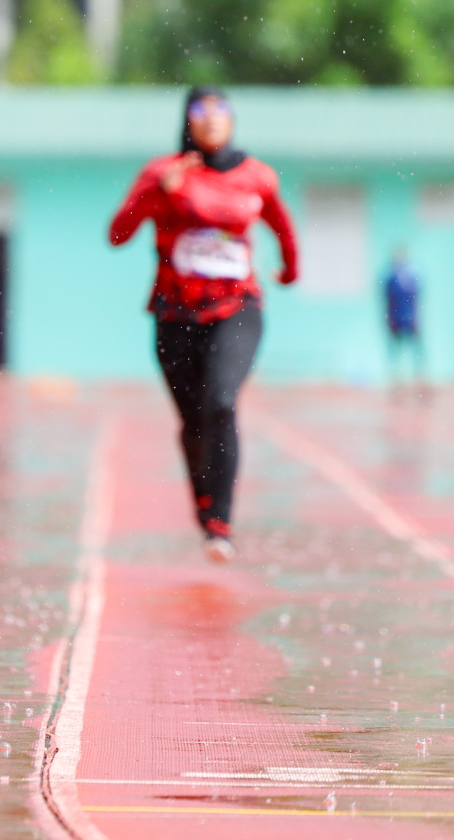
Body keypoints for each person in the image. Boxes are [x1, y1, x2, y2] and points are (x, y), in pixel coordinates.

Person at [108, 86, 300, 564]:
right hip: (174, 315)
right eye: (200, 109)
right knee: (193, 422)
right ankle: (204, 506)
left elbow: (282, 227)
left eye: (221, 109)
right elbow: (118, 234)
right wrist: (158, 192)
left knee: (221, 402)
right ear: (187, 120)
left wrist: (290, 269)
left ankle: (222, 524)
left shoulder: (256, 176)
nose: (211, 118)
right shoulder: (162, 172)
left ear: (233, 119)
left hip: (237, 308)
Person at [383, 248, 423, 384]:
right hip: (395, 319)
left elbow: (416, 300)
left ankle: (418, 376)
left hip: (410, 318)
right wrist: (388, 320)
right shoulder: (390, 279)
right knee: (395, 349)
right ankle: (395, 377)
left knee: (416, 348)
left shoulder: (412, 278)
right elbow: (386, 301)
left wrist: (417, 318)